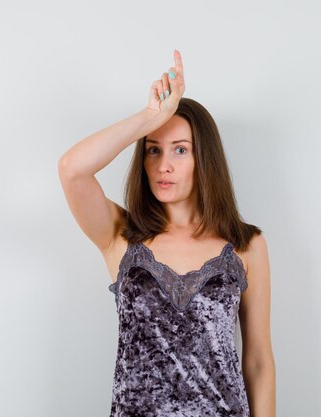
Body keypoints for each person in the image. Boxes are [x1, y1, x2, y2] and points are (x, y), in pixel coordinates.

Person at [58, 50, 275, 417]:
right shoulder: (120, 236)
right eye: (153, 150)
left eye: (180, 150)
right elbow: (72, 169)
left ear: (203, 159)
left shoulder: (246, 245)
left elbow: (257, 362)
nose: (164, 166)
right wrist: (148, 118)